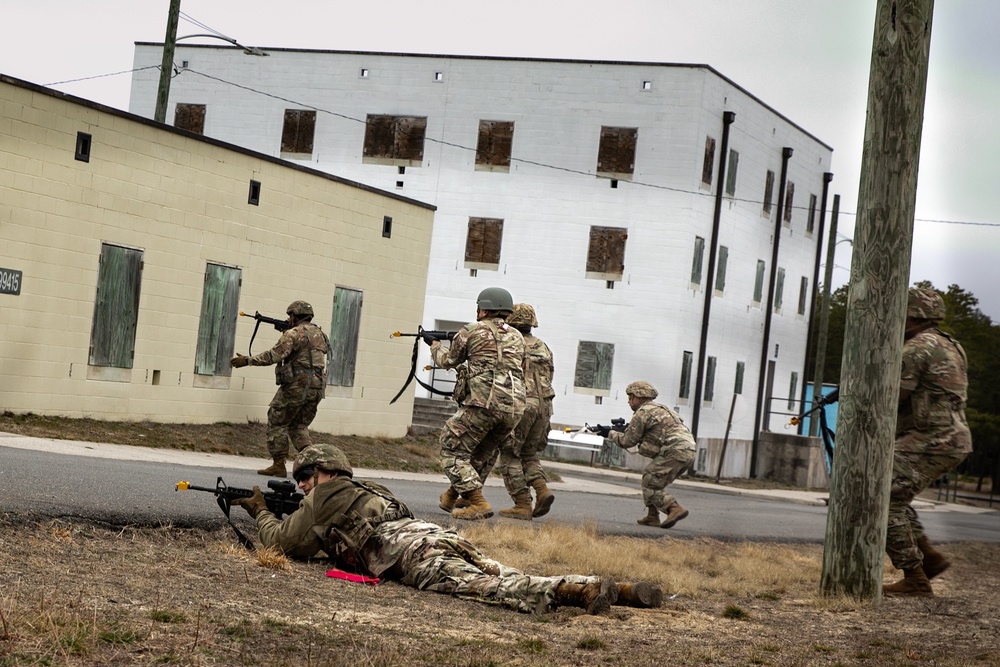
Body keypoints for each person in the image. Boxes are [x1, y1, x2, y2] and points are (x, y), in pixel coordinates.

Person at [232, 444, 663, 614]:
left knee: (488, 589)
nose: (303, 486)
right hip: (431, 533)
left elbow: (283, 544)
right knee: (499, 573)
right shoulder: (367, 488)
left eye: (305, 476)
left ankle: (580, 592)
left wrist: (259, 511)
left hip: (407, 551)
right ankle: (617, 589)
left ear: (324, 471)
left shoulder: (323, 496)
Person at [883, 287, 973, 597]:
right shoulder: (951, 345)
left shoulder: (916, 348)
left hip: (933, 439)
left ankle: (915, 578)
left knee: (878, 497)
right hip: (952, 437)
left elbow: (892, 398)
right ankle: (928, 561)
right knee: (895, 497)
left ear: (911, 315)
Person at [429, 287, 526, 521]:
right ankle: (451, 496)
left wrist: (434, 345)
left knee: (451, 448)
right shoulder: (517, 336)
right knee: (479, 453)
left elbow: (448, 360)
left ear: (483, 308)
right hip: (514, 408)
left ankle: (479, 503)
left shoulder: (471, 330)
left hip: (484, 403)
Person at [231, 300, 330, 477]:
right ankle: (312, 465)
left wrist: (247, 360)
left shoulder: (293, 333)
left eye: (289, 315)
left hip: (296, 386)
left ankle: (278, 465)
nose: (287, 318)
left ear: (295, 316)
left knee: (277, 421)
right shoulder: (320, 334)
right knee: (298, 426)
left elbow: (273, 355)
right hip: (316, 387)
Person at [598, 381, 696, 529]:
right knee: (651, 480)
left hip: (674, 449)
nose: (629, 401)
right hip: (688, 450)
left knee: (650, 480)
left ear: (640, 396)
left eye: (631, 397)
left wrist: (609, 433)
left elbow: (627, 441)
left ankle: (673, 508)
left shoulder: (642, 413)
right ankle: (652, 515)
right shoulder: (662, 409)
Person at [495, 303, 557, 520]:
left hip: (522, 404)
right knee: (529, 454)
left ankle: (522, 504)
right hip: (544, 406)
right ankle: (542, 490)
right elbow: (550, 375)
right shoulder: (543, 346)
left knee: (510, 455)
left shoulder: (511, 343)